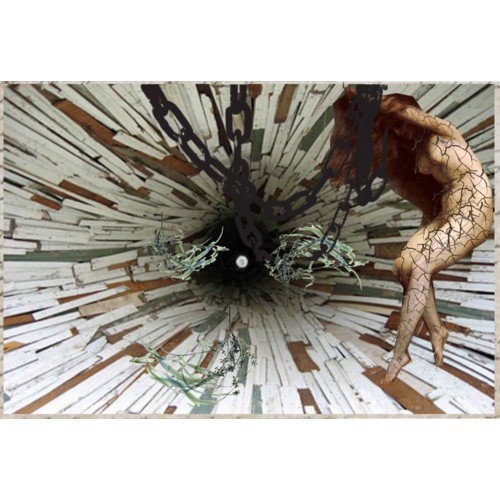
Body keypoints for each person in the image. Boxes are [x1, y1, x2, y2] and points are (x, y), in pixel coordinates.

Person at [329, 86, 494, 383]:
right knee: (402, 268)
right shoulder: (413, 150)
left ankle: (399, 354)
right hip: (445, 211)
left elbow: (401, 110)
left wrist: (362, 97)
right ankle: (437, 329)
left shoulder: (443, 133)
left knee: (419, 268)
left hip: (474, 210)